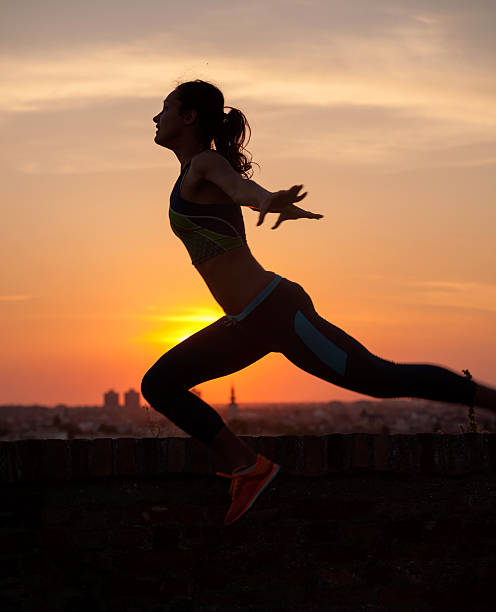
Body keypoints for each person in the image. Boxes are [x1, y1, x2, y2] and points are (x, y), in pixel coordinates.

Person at [141, 79, 496, 526]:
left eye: (165, 108)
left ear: (188, 117)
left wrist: (269, 200)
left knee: (381, 379)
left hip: (276, 312)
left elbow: (241, 189)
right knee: (159, 385)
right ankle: (250, 468)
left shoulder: (204, 164)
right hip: (245, 322)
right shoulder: (189, 172)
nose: (157, 117)